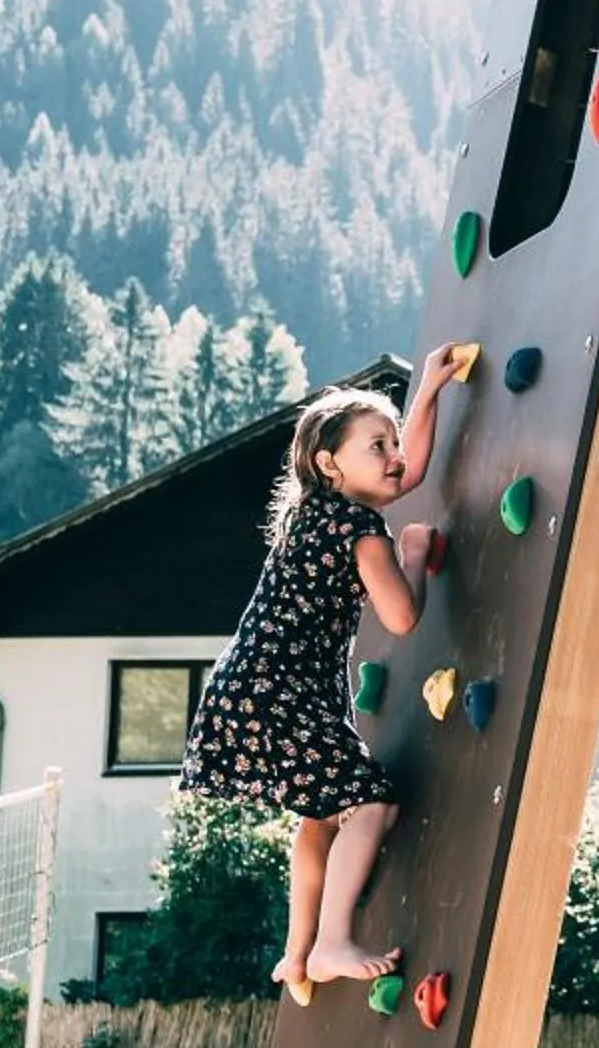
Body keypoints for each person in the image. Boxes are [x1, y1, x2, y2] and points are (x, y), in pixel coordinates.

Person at [178, 347, 461, 989]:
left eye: (392, 441)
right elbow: (402, 617)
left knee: (322, 815)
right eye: (376, 446)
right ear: (328, 463)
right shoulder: (358, 528)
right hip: (281, 695)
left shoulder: (312, 515)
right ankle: (331, 942)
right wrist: (413, 552)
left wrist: (428, 393)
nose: (393, 456)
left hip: (246, 690)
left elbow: (407, 472)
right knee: (371, 802)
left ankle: (298, 952)